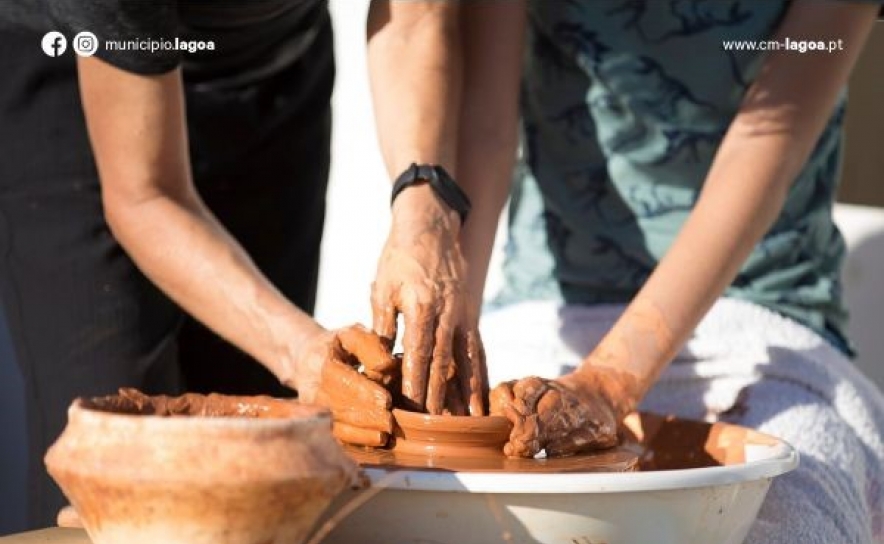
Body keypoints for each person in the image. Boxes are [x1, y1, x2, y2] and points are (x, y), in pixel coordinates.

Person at [366, 0, 884, 541]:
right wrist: (451, 335)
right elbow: (491, 130)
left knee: (792, 510)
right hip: (552, 309)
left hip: (757, 320)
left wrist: (608, 385)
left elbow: (769, 144)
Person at [0, 0, 393, 528]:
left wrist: (427, 205)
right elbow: (144, 195)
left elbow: (420, 20)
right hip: (73, 54)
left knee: (260, 460)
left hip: (269, 66)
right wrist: (300, 349)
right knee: (117, 460)